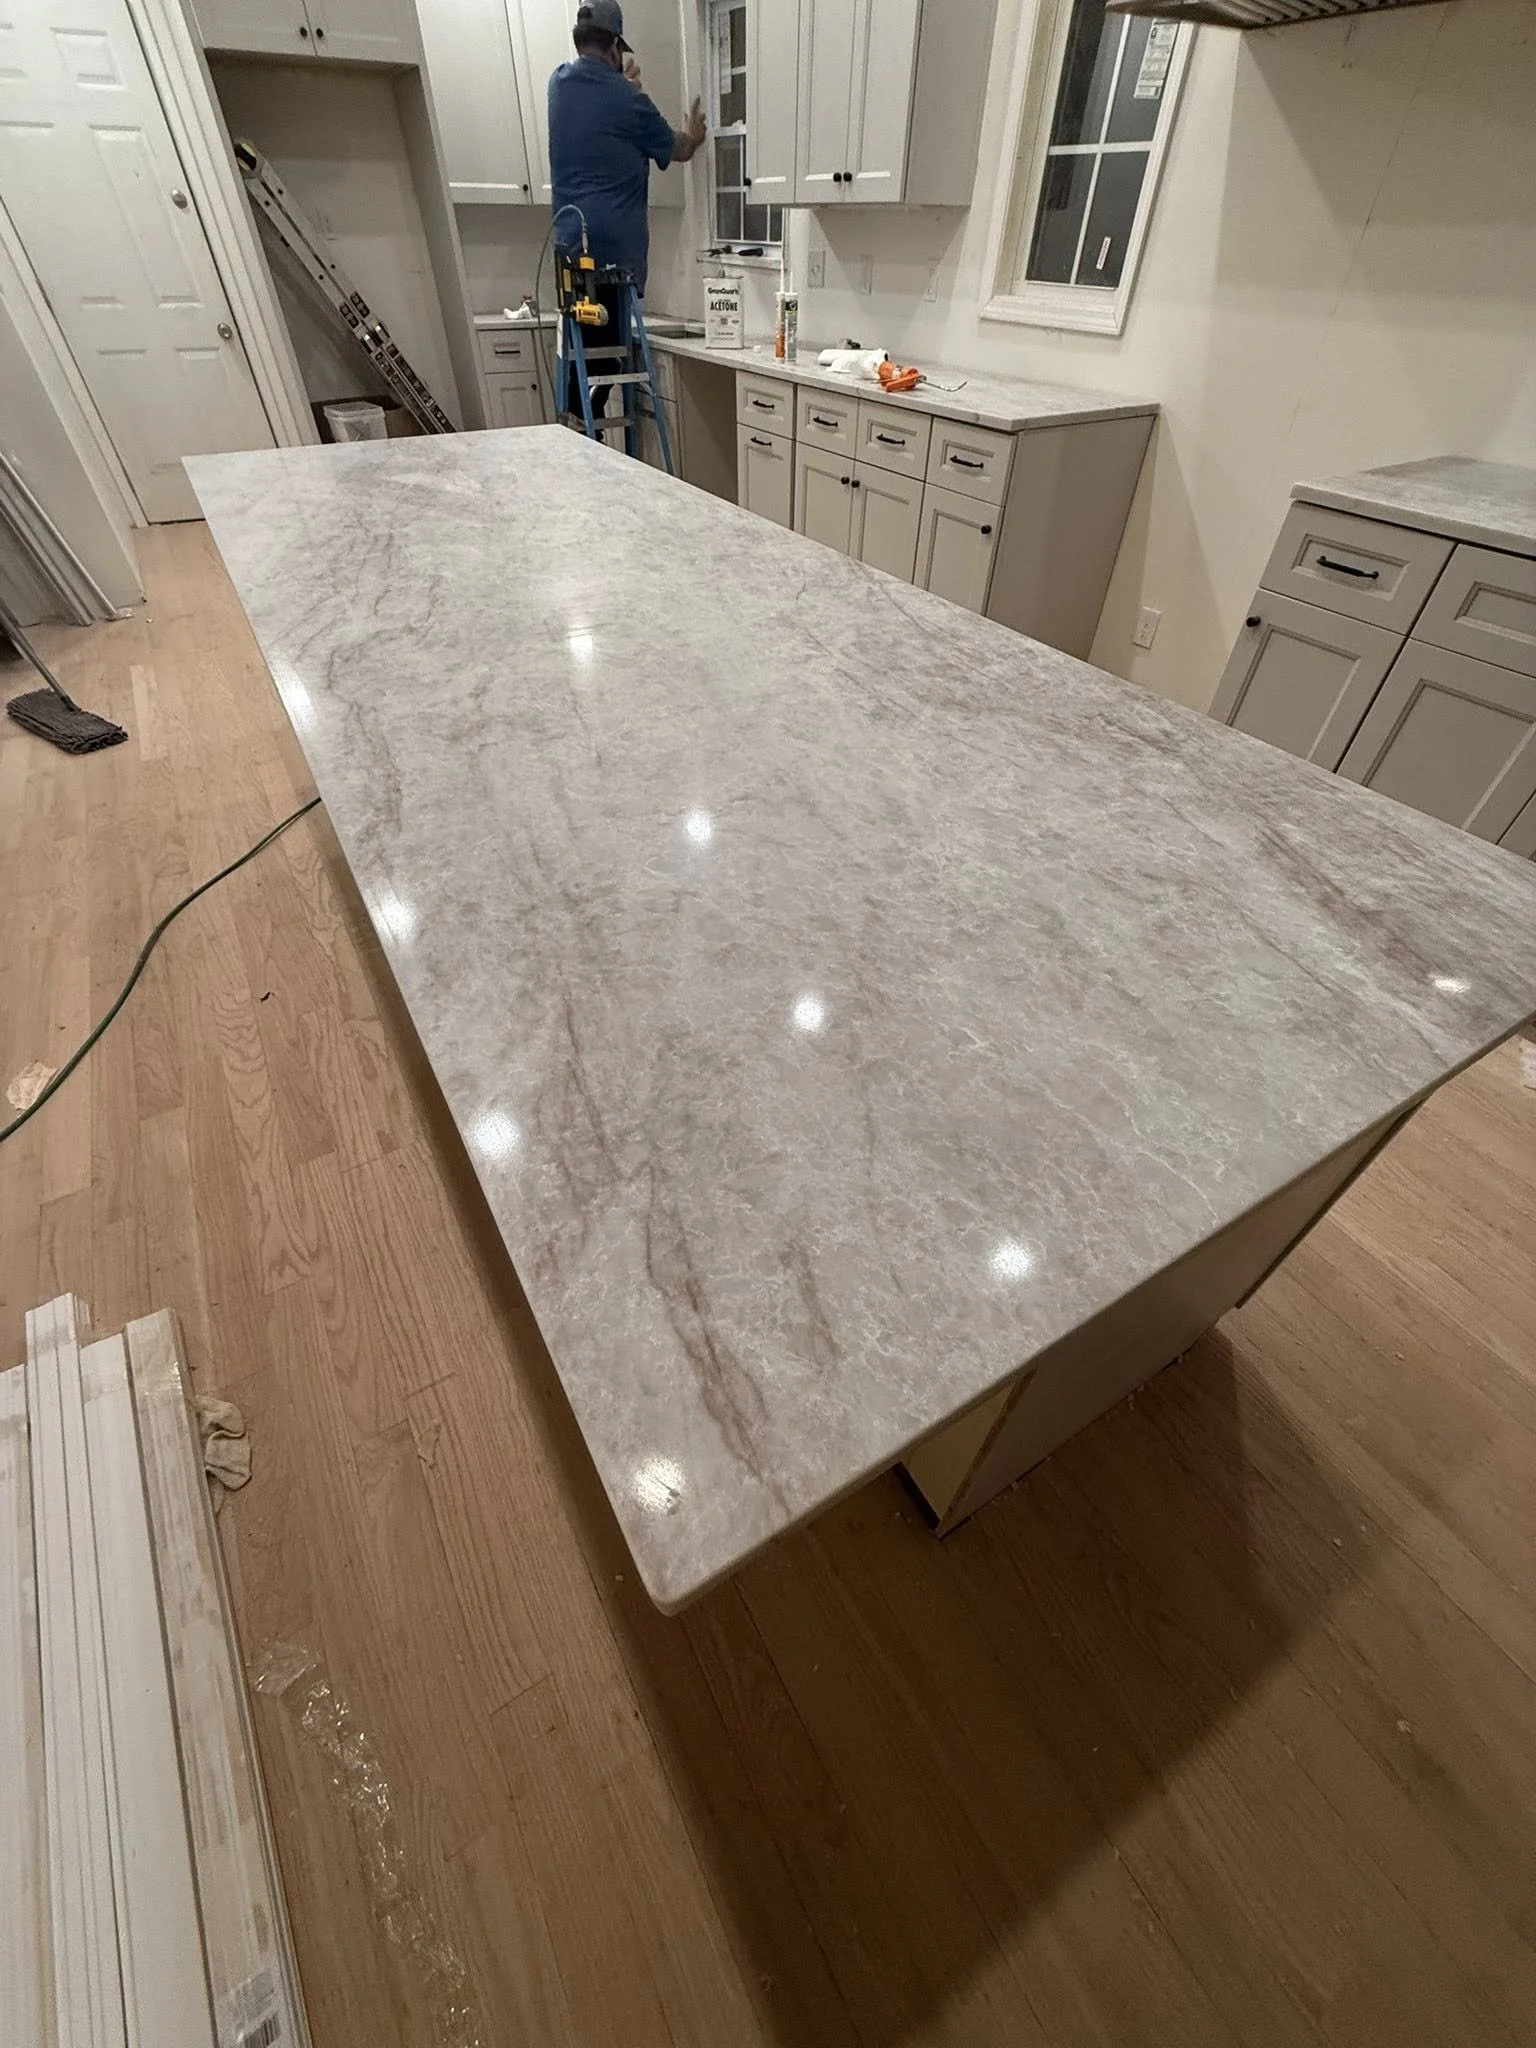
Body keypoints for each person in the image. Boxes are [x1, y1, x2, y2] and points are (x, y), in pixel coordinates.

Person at [548, 1, 707, 335]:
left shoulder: (558, 84)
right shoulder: (630, 102)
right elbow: (678, 148)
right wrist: (694, 136)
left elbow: (597, 109)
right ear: (615, 46)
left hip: (570, 254)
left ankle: (591, 390)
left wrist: (621, 86)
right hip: (613, 258)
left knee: (584, 362)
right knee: (609, 360)